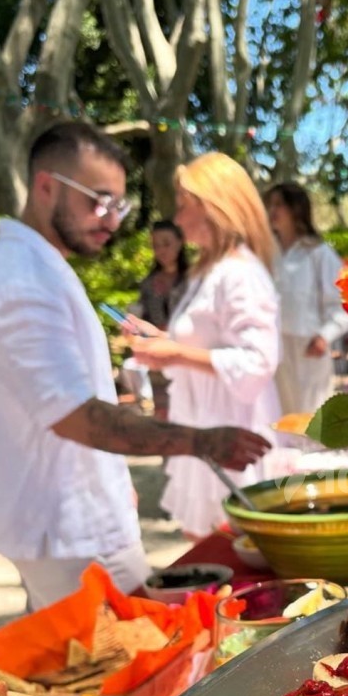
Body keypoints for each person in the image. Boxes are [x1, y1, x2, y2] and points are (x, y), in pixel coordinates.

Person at [0, 121, 271, 611]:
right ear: (45, 187)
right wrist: (202, 440)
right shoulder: (24, 276)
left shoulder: (33, 265)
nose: (112, 220)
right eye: (98, 201)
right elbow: (78, 416)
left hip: (73, 521)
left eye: (119, 205)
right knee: (137, 675)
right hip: (71, 531)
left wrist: (115, 481)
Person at [131, 153, 281, 539]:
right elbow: (209, 341)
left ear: (215, 207)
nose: (178, 219)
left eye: (184, 206)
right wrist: (163, 341)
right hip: (209, 425)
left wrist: (176, 353)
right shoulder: (210, 270)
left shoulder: (239, 272)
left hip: (233, 434)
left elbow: (258, 360)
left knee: (228, 547)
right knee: (211, 545)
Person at [264, 181, 348, 416]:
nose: (272, 211)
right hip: (275, 349)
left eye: (279, 204)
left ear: (296, 210)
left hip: (309, 349)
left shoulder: (319, 253)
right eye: (270, 205)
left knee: (311, 419)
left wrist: (325, 336)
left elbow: (345, 304)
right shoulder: (267, 252)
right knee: (279, 419)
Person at [126, 220, 189, 419]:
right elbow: (143, 319)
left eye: (166, 243)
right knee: (164, 415)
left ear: (180, 242)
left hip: (189, 356)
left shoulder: (195, 280)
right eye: (156, 245)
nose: (161, 250)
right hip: (159, 359)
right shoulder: (148, 283)